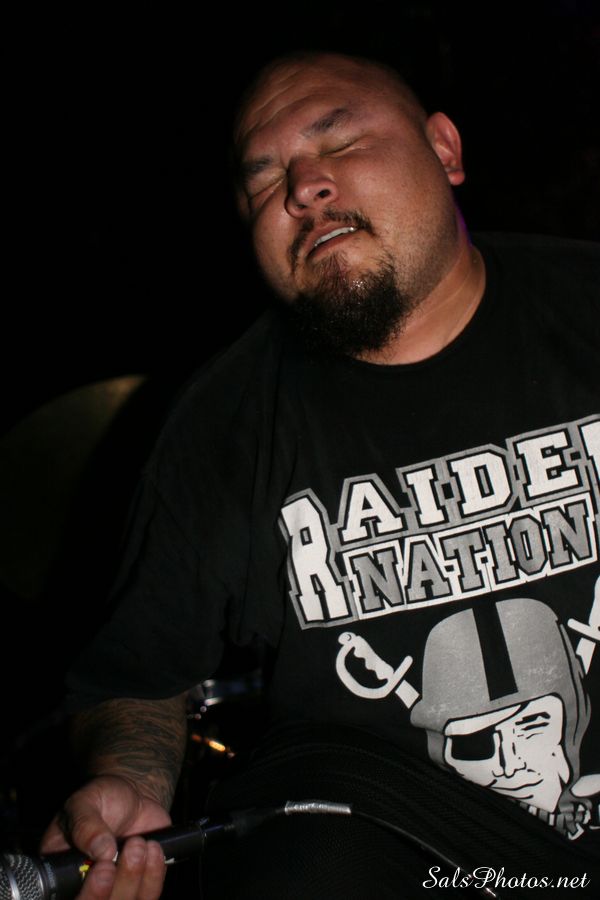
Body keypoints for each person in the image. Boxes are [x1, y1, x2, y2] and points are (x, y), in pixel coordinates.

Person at [40, 51, 599, 897]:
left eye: (339, 142)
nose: (303, 187)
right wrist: (129, 780)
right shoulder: (221, 426)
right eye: (264, 180)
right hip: (396, 849)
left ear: (444, 149)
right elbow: (138, 679)